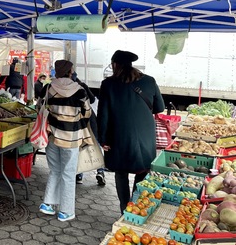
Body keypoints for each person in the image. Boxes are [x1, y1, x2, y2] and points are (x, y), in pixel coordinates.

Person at [97, 50, 164, 213]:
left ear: (114, 65)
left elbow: (103, 115)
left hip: (119, 136)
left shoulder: (108, 84)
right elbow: (159, 107)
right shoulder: (149, 81)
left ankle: (124, 208)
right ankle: (136, 206)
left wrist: (103, 139)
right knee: (142, 171)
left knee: (121, 173)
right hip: (145, 137)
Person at [38, 60, 93, 222]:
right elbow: (87, 112)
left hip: (52, 136)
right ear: (70, 72)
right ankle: (65, 211)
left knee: (55, 170)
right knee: (68, 174)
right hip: (71, 137)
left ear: (56, 72)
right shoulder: (79, 90)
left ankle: (48, 203)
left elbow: (39, 107)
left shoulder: (48, 88)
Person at [72, 71, 106, 186]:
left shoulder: (68, 88)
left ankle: (79, 175)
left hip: (78, 122)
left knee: (79, 147)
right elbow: (92, 100)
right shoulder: (83, 86)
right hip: (91, 120)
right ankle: (100, 171)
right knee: (95, 144)